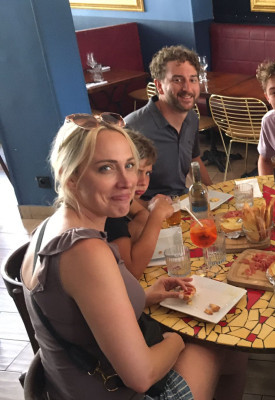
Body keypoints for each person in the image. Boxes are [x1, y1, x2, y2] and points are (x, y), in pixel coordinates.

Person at [21, 114, 247, 400]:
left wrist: (145, 296)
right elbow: (142, 376)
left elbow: (78, 312)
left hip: (65, 385)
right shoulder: (85, 251)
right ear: (71, 175)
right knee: (225, 346)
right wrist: (177, 340)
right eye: (106, 168)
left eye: (129, 165)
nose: (127, 181)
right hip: (117, 392)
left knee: (228, 355)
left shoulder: (49, 225)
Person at [125, 45, 212, 200]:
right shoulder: (132, 127)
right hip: (148, 207)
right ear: (159, 86)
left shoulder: (192, 118)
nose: (187, 88)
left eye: (192, 79)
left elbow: (194, 160)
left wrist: (214, 193)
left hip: (181, 200)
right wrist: (146, 210)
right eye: (177, 80)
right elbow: (118, 189)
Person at [104, 129, 175, 279]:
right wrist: (157, 214)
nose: (143, 182)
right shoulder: (110, 208)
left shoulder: (124, 197)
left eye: (147, 173)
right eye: (137, 171)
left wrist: (148, 213)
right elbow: (132, 272)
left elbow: (141, 213)